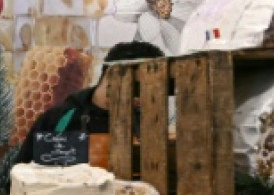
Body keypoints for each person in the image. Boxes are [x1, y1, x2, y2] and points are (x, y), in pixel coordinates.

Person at [12, 40, 165, 168]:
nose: (143, 99)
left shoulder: (148, 124)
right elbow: (19, 176)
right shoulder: (58, 118)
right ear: (113, 74)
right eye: (139, 87)